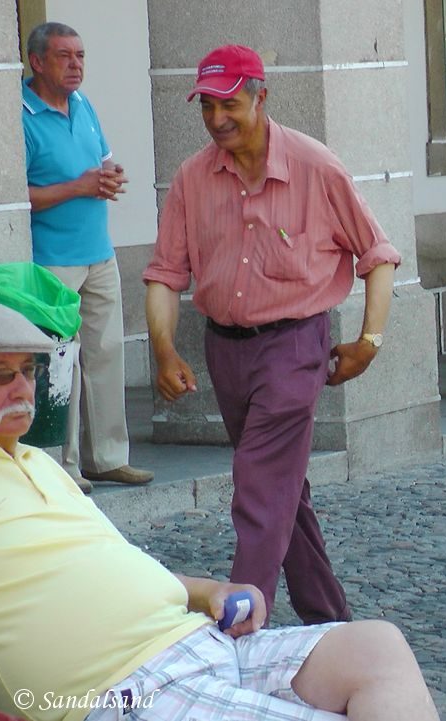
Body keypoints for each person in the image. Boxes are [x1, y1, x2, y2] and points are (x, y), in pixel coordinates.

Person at [0, 303, 440, 721]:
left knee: (377, 647)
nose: (23, 388)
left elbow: (106, 564)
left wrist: (210, 590)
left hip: (199, 639)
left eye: (29, 371)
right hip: (129, 687)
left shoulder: (39, 464)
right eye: (1, 375)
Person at [143, 45, 401, 624]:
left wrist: (369, 341)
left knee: (259, 487)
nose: (216, 119)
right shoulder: (192, 176)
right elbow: (164, 273)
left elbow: (378, 255)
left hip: (294, 344)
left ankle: (238, 628)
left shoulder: (316, 166)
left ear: (261, 97)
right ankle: (328, 620)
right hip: (225, 349)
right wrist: (163, 348)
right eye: (207, 107)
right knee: (283, 489)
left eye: (229, 104)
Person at [20, 21, 152, 494]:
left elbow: (104, 159)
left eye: (80, 56)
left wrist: (111, 174)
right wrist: (79, 186)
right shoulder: (18, 113)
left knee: (106, 354)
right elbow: (15, 197)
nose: (76, 65)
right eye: (64, 56)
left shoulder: (83, 104)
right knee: (63, 363)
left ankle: (109, 457)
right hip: (53, 259)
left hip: (99, 252)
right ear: (37, 62)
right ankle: (66, 465)